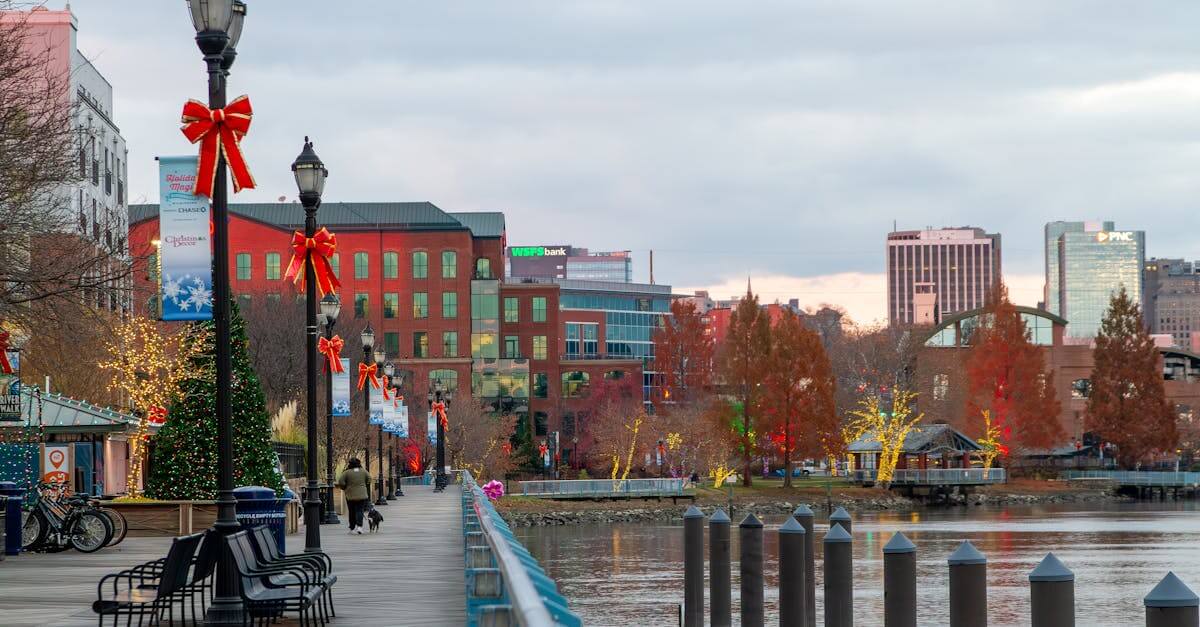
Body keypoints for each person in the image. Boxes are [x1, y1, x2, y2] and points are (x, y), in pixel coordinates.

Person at [336, 458, 371, 534]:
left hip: (350, 495)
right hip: (362, 495)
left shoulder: (347, 472)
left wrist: (344, 488)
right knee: (359, 510)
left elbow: (341, 482)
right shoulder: (363, 471)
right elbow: (369, 479)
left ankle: (352, 528)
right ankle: (359, 527)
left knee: (351, 511)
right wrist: (364, 485)